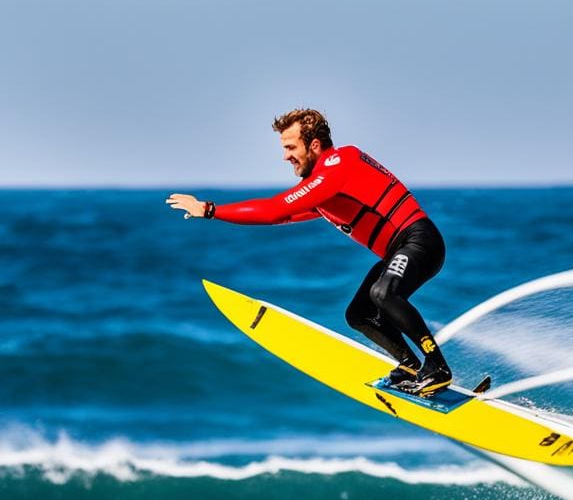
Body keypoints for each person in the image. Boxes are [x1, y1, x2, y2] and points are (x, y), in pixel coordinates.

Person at [166, 109, 453, 397]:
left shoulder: (339, 164)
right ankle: (410, 365)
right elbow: (284, 216)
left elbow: (275, 209)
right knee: (360, 314)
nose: (285, 156)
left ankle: (437, 368)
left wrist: (209, 210)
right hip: (399, 250)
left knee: (383, 294)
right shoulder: (324, 187)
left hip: (419, 241)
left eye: (291, 147)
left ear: (314, 145)